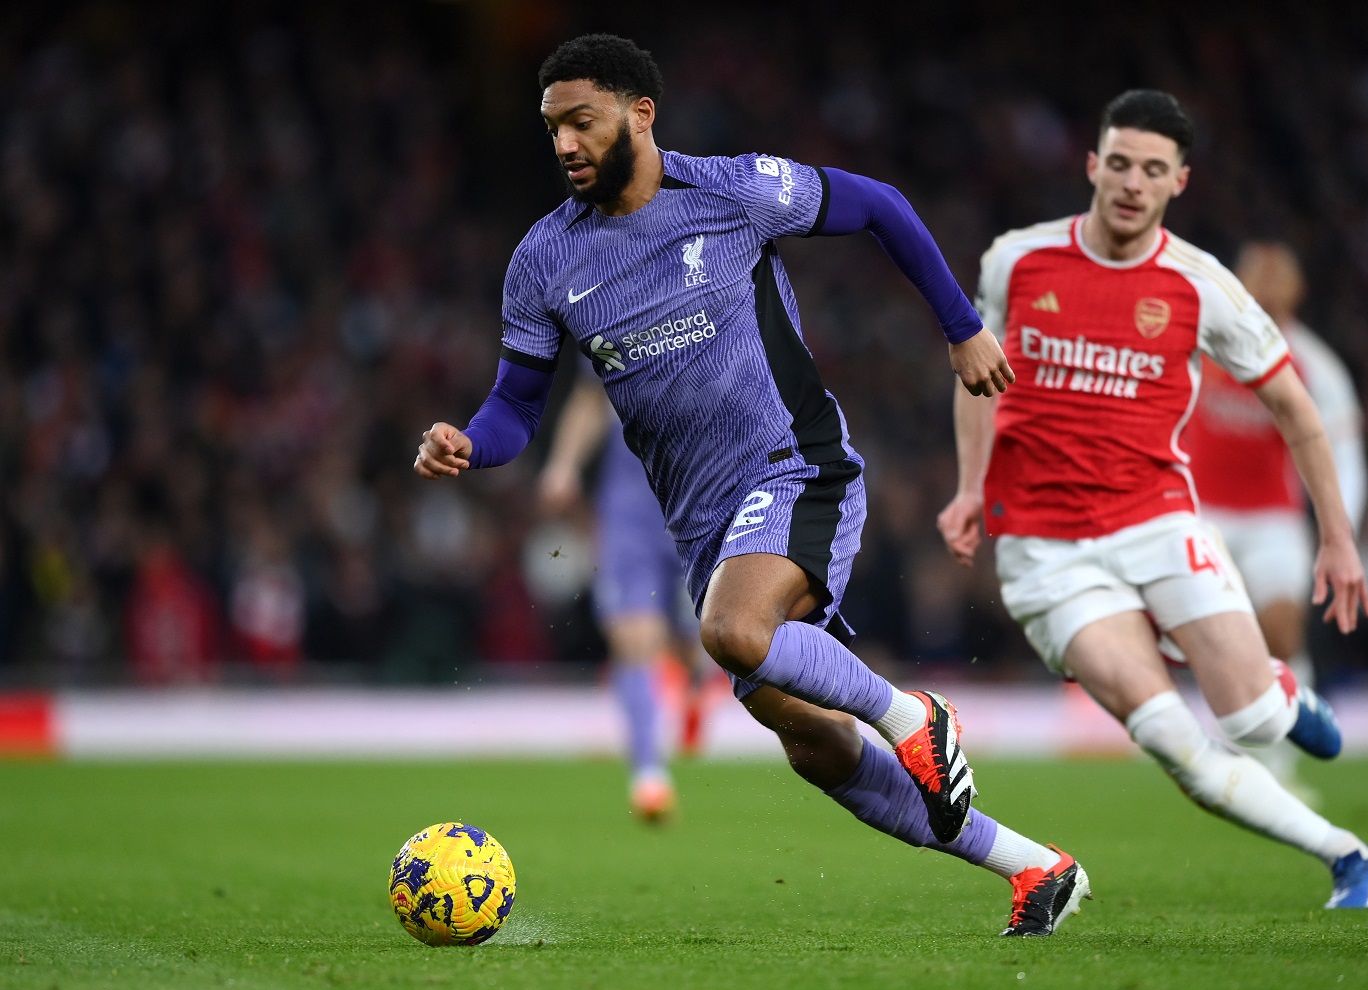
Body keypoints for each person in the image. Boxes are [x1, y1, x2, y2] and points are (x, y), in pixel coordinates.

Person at [415, 34, 1089, 936]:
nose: (565, 144)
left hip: (799, 467)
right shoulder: (544, 260)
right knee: (815, 742)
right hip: (708, 531)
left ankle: (913, 710)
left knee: (733, 631)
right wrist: (470, 441)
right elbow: (515, 405)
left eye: (581, 121)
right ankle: (1032, 866)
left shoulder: (732, 193)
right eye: (552, 129)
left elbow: (881, 205)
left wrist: (962, 327)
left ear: (638, 113)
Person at [937, 90, 1368, 910]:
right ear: (1092, 166)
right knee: (1172, 739)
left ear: (1179, 181)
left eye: (1153, 169)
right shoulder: (1015, 260)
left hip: (1158, 521)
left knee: (1250, 718)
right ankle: (1350, 854)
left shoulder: (1200, 284)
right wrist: (970, 487)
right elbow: (978, 377)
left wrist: (1337, 537)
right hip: (1044, 550)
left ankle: (1280, 695)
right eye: (1119, 163)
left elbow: (1296, 405)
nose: (1132, 183)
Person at [1185, 241, 1368, 802]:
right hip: (1200, 513)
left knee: (1283, 633)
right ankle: (1224, 752)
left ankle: (1278, 763)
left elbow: (1343, 458)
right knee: (1212, 634)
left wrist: (1340, 534)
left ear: (1295, 296)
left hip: (1272, 519)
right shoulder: (1197, 343)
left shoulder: (1315, 366)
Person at [536, 376, 717, 822]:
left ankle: (694, 682)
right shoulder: (606, 308)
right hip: (628, 515)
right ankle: (649, 774)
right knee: (634, 638)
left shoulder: (715, 310)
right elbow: (589, 394)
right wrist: (564, 465)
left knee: (706, 642)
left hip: (698, 502)